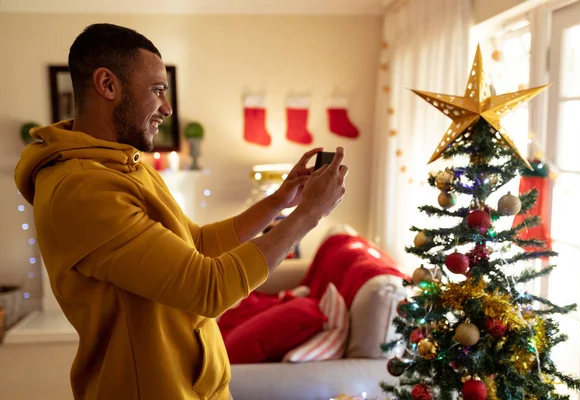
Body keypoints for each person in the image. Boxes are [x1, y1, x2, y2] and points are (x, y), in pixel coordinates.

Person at [14, 23, 347, 400]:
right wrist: (306, 217)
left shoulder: (125, 164)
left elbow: (197, 242)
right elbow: (208, 288)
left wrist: (280, 201)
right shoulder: (83, 188)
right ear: (107, 85)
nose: (167, 108)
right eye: (158, 90)